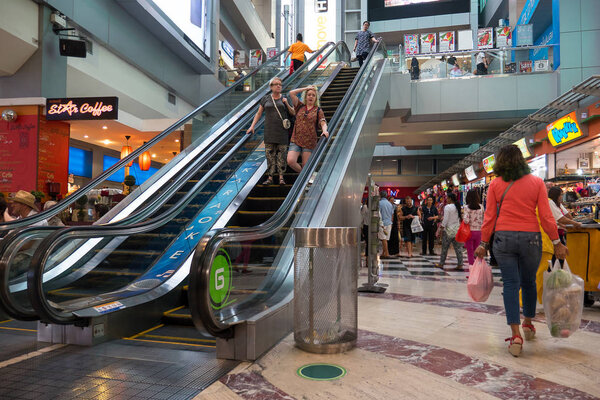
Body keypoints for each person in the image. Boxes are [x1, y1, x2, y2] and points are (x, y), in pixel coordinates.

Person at [474, 145, 567, 357]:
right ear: (522, 160)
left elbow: (489, 217)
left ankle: (515, 335)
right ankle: (528, 323)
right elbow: (545, 216)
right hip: (531, 238)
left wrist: (483, 243)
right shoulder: (536, 183)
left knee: (510, 284)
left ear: (500, 162)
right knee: (529, 282)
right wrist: (556, 242)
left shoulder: (496, 184)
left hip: (504, 238)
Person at [247, 77, 296, 185]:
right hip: (269, 131)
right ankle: (270, 177)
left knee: (281, 155)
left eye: (280, 84)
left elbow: (293, 113)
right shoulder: (265, 99)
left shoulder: (285, 97)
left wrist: (286, 103)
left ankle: (281, 177)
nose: (279, 86)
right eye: (276, 84)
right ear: (271, 86)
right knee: (269, 155)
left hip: (282, 132)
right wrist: (252, 126)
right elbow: (259, 113)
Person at [286, 86, 328, 172]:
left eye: (313, 95)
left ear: (316, 98)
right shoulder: (299, 106)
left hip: (309, 141)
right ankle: (305, 175)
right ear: (305, 96)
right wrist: (306, 88)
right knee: (290, 161)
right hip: (296, 139)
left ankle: (305, 177)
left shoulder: (318, 110)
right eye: (309, 95)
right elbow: (291, 93)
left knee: (306, 166)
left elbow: (323, 122)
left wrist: (324, 130)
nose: (311, 97)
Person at [547, 186, 582, 266]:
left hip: (560, 233)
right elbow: (561, 219)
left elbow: (567, 215)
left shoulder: (558, 204)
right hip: (554, 235)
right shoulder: (550, 202)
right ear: (556, 195)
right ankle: (556, 275)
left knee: (560, 258)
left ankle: (559, 274)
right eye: (560, 195)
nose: (562, 197)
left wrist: (572, 222)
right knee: (557, 258)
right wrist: (575, 224)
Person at [435, 192, 464, 270]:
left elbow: (446, 219)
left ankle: (441, 263)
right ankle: (460, 264)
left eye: (447, 198)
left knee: (445, 248)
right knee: (458, 248)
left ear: (450, 199)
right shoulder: (457, 207)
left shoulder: (447, 207)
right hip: (456, 230)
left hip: (448, 231)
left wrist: (441, 228)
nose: (446, 199)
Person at [463, 189, 484, 268]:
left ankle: (472, 271)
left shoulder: (467, 207)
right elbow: (483, 219)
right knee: (477, 252)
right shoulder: (481, 207)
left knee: (470, 252)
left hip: (469, 232)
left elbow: (466, 220)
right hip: (479, 232)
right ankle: (478, 269)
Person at [378, 190, 394, 259]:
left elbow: (378, 214)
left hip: (382, 224)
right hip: (389, 223)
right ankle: (383, 253)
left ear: (380, 195)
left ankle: (387, 254)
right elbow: (392, 214)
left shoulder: (379, 203)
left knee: (383, 239)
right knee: (386, 239)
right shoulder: (390, 204)